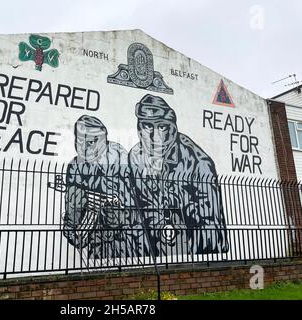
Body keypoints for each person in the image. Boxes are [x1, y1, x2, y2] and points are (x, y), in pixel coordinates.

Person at [128, 94, 229, 256]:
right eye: (147, 126)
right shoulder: (135, 156)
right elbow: (143, 206)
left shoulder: (199, 162)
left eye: (161, 127)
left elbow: (209, 222)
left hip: (193, 242)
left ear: (172, 128)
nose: (154, 136)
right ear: (139, 129)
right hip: (157, 242)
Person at [62, 115, 141, 261]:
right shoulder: (75, 167)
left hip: (126, 244)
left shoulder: (120, 158)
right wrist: (74, 219)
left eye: (91, 142)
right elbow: (77, 238)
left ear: (104, 140)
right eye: (79, 141)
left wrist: (123, 216)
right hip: (97, 248)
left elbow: (139, 205)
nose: (84, 148)